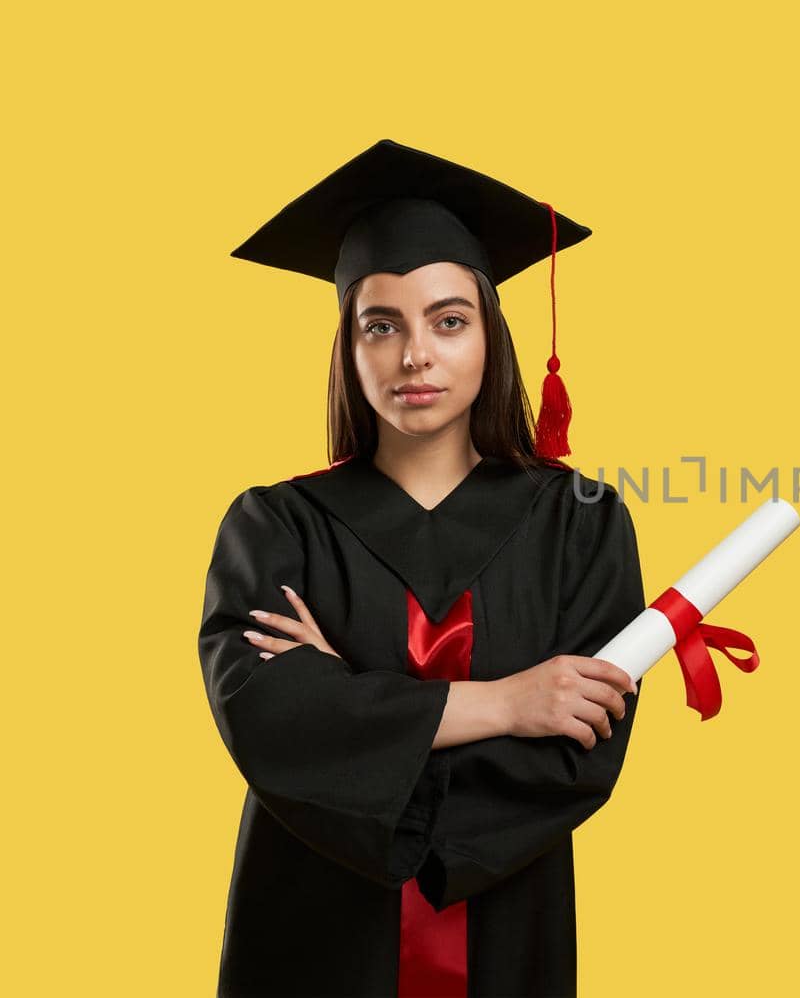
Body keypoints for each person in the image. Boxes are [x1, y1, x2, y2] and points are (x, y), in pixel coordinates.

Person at [200, 139, 645, 997]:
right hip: (312, 931)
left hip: (506, 922)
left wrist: (350, 708)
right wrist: (506, 703)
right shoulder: (276, 525)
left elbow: (581, 751)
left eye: (448, 320)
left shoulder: (579, 524)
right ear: (349, 345)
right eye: (382, 325)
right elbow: (268, 721)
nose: (416, 356)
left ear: (490, 335)